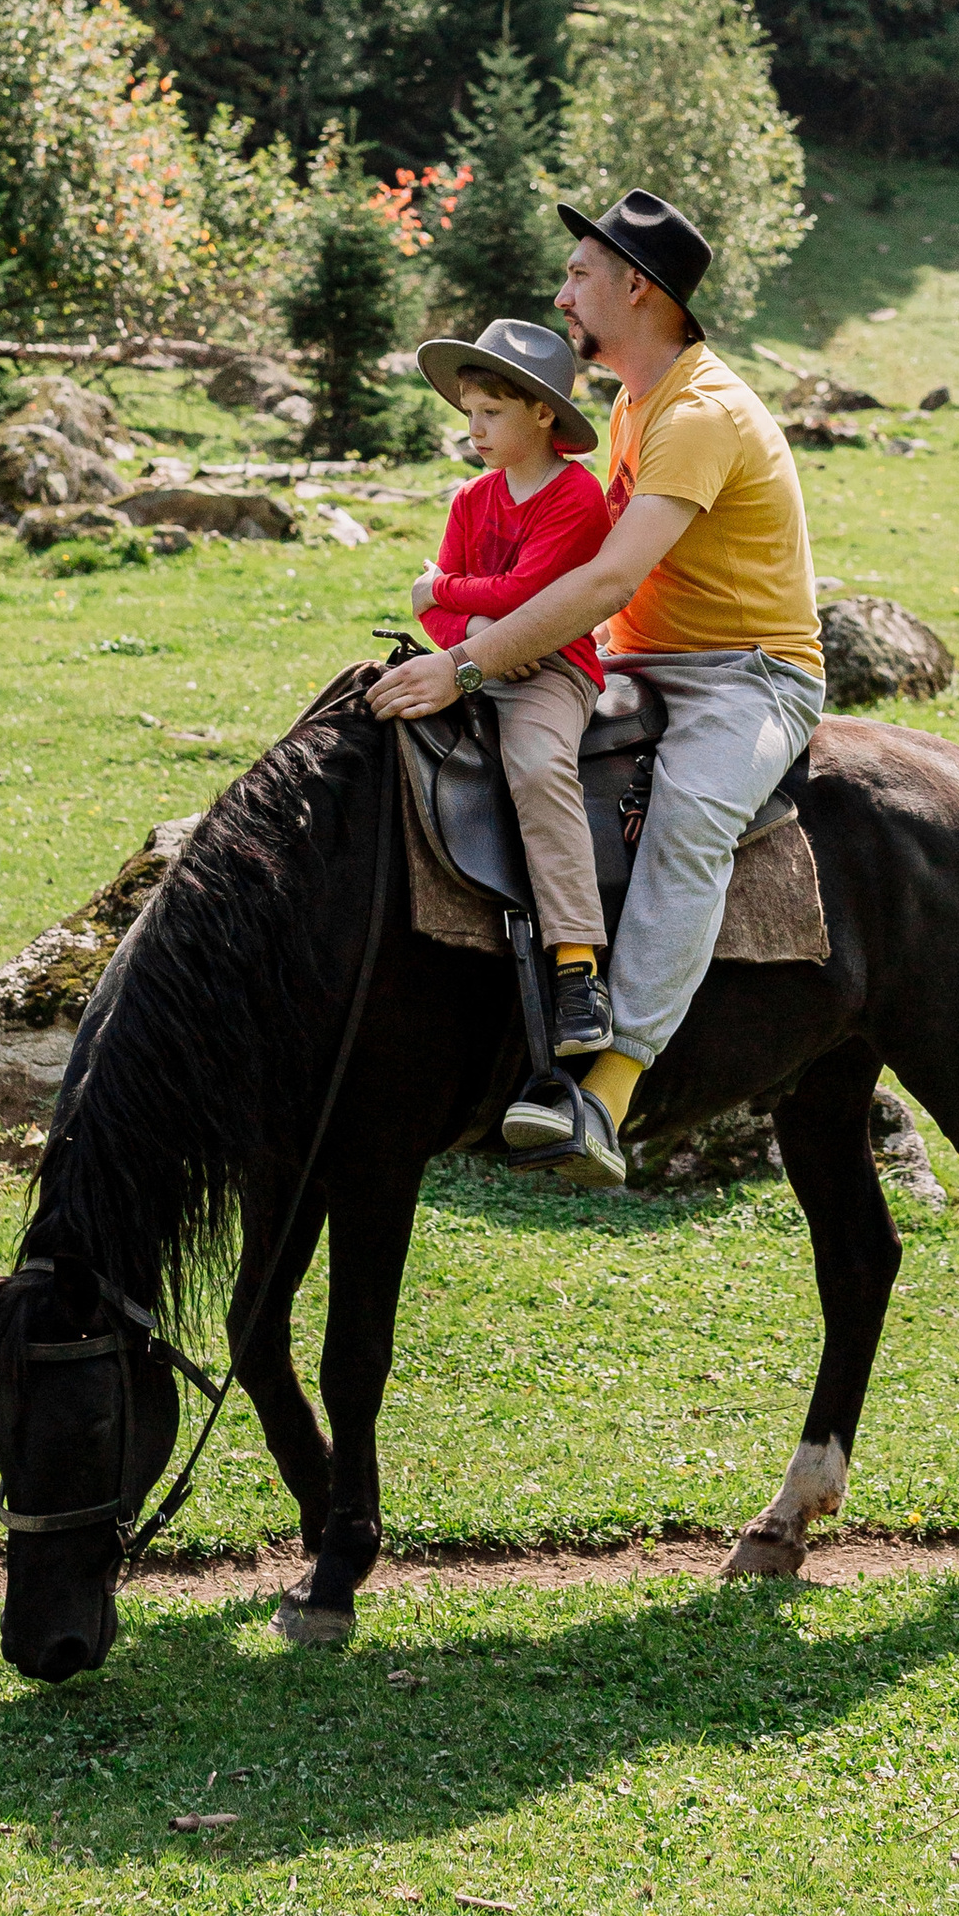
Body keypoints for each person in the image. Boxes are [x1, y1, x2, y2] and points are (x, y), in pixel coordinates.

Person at [371, 189, 823, 1186]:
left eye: (579, 274)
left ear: (637, 288)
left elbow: (610, 579)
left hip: (748, 675)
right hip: (637, 661)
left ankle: (607, 1092)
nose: (563, 292)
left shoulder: (699, 414)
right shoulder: (630, 405)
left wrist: (464, 661)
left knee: (688, 821)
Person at [410, 315, 615, 1060]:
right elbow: (437, 621)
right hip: (470, 657)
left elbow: (529, 595)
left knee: (537, 765)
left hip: (550, 668)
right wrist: (471, 633)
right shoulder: (471, 500)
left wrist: (439, 588)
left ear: (542, 414)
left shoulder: (576, 497)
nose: (475, 429)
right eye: (469, 413)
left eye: (492, 412)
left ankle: (576, 965)